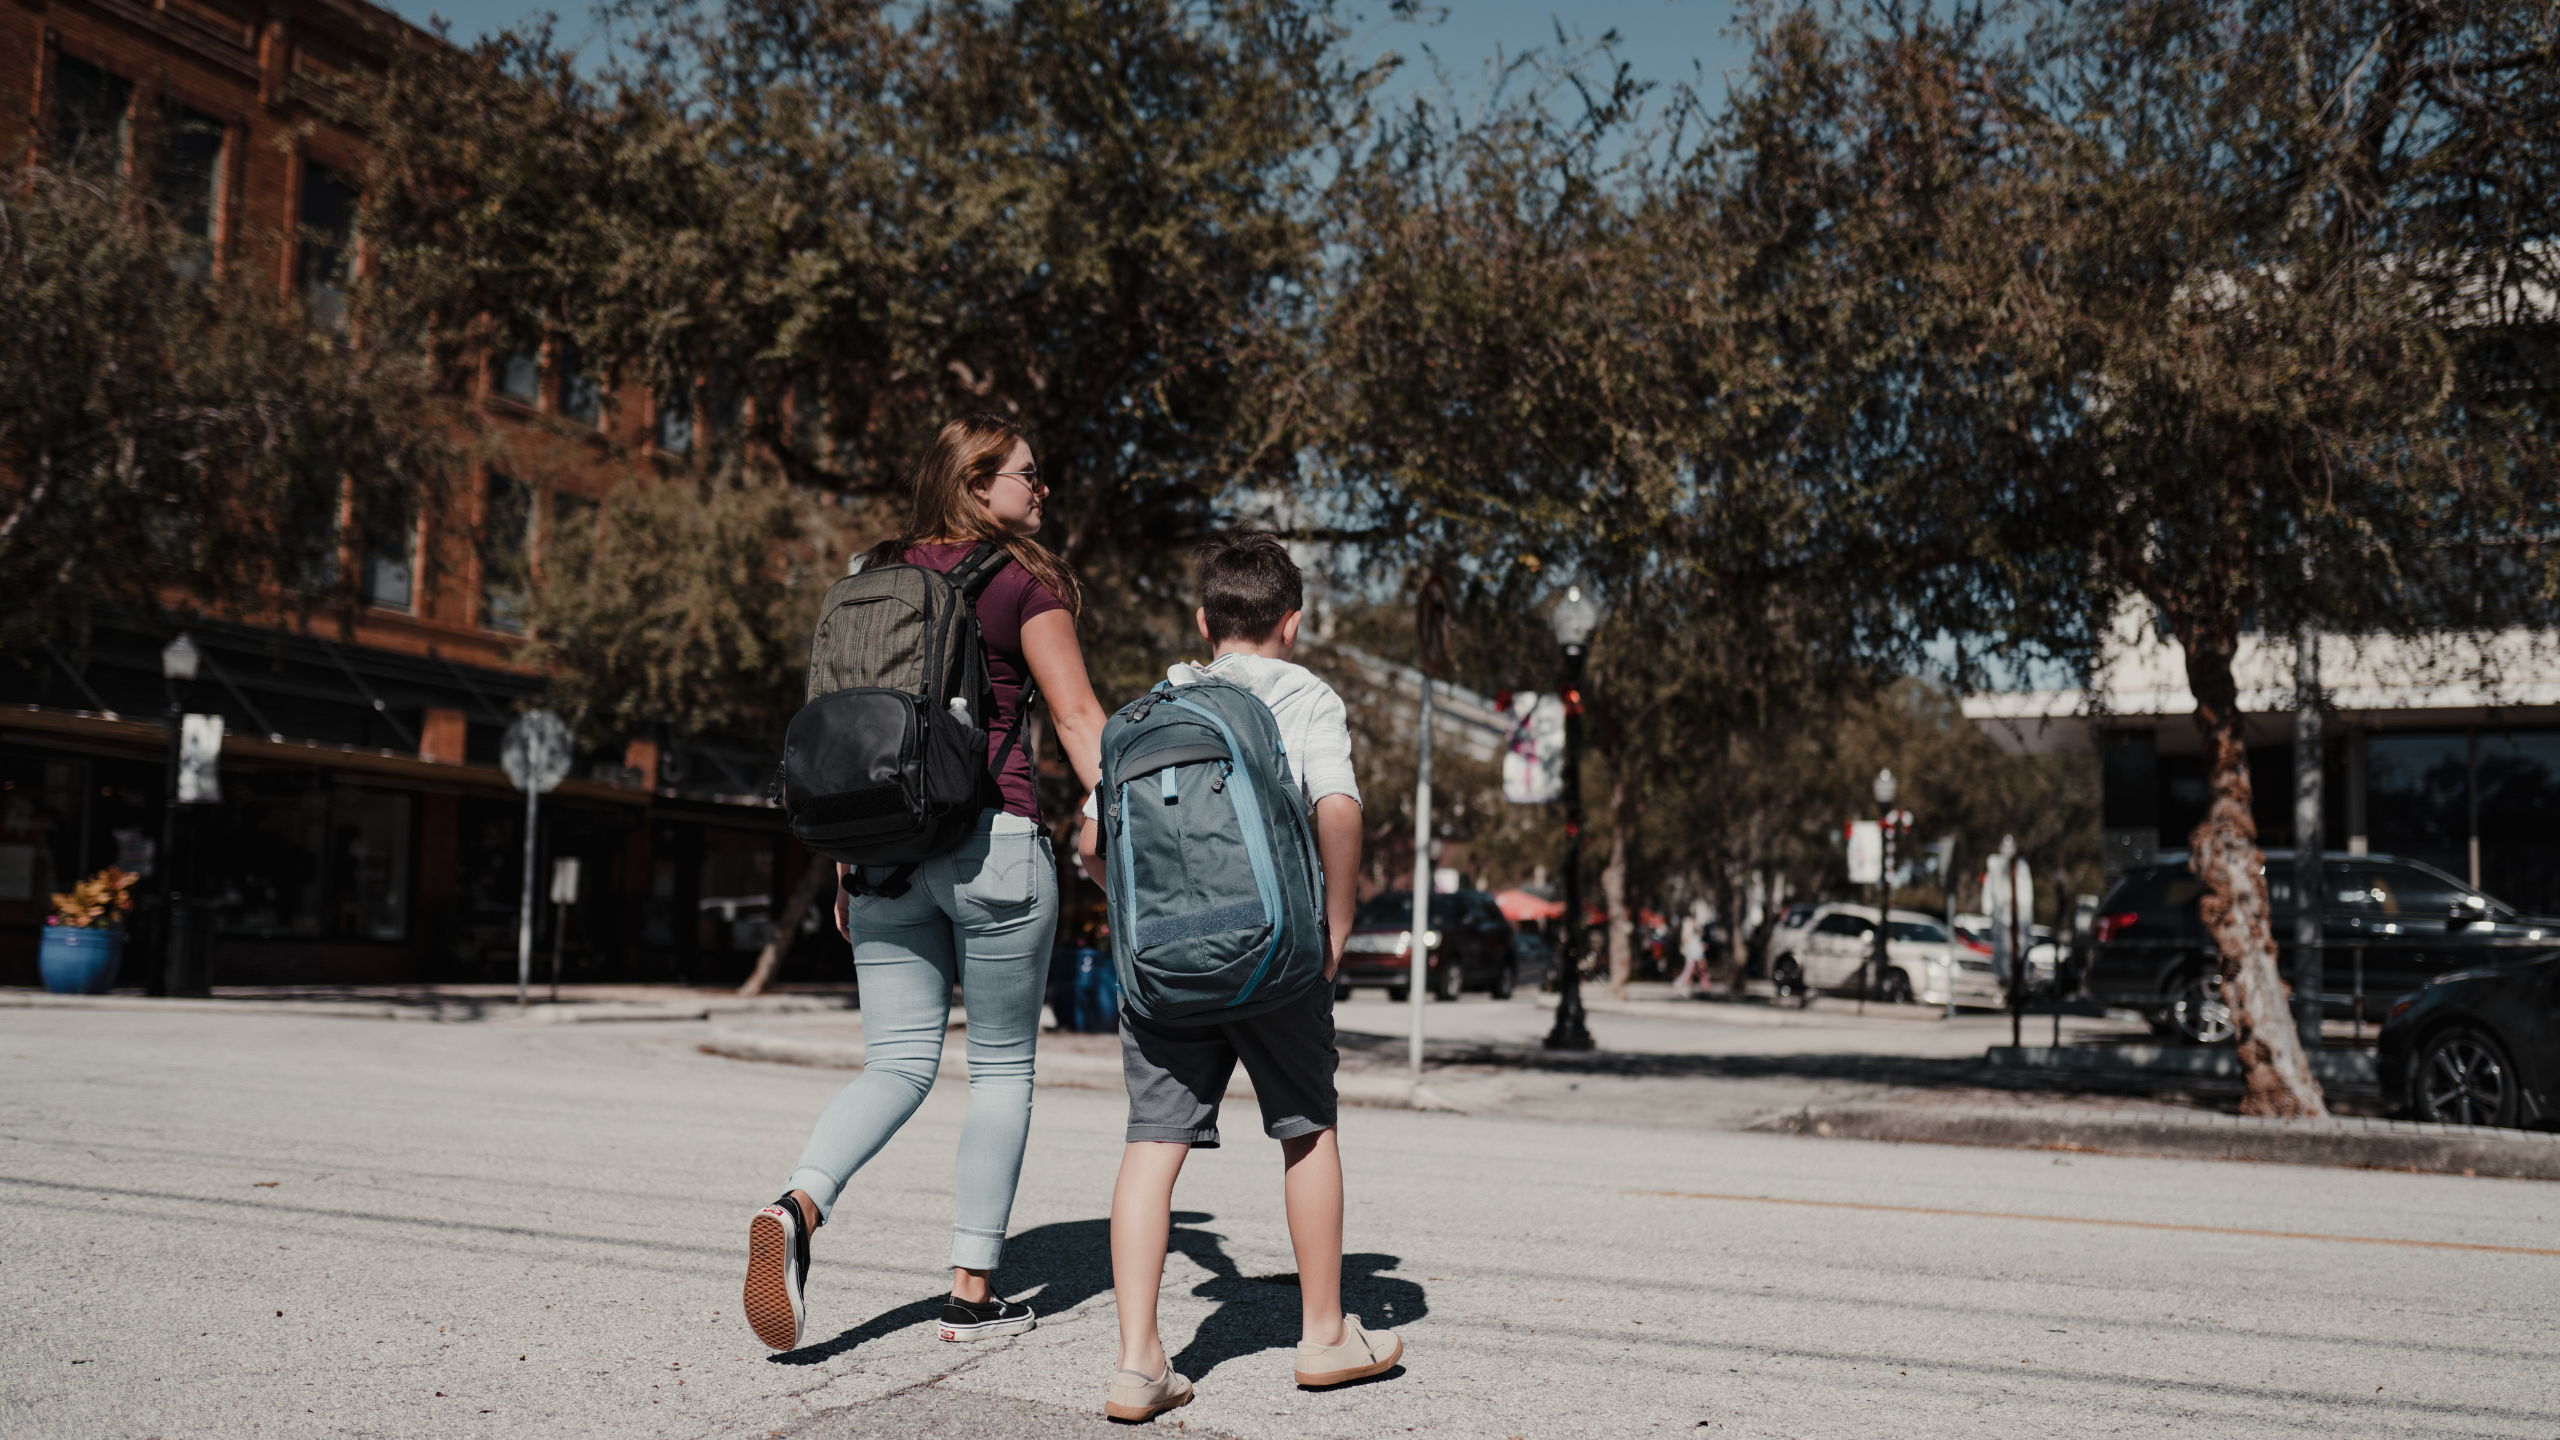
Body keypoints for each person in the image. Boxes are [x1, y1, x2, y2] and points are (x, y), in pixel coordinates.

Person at [742, 414, 1108, 1353]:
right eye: (1029, 474)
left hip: (879, 851)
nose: (1042, 490)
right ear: (979, 485)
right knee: (1000, 1070)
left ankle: (799, 1204)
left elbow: (849, 726)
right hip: (993, 844)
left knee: (896, 1064)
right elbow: (1074, 716)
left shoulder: (872, 575)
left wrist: (844, 862)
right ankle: (972, 1284)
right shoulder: (1025, 578)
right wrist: (1126, 815)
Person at [1075, 532, 1402, 1422]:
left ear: (1203, 622)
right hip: (1277, 957)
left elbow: (1092, 850)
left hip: (1164, 968)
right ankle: (1326, 1335)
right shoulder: (1306, 697)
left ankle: (1139, 1362)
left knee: (1152, 1144)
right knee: (1306, 1128)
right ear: (1292, 623)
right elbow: (1337, 806)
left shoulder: (1153, 707)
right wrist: (1333, 926)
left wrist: (1154, 917)